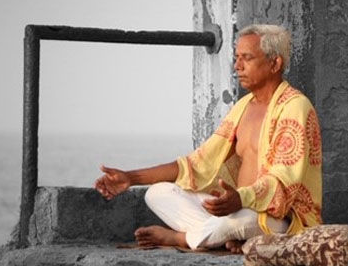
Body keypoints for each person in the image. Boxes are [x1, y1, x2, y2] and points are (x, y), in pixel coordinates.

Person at [94, 24, 322, 253]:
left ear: (275, 63)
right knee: (158, 193)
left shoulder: (295, 106)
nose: (237, 66)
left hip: (277, 219)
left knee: (241, 220)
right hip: (236, 208)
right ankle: (224, 239)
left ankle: (181, 239)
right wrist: (130, 178)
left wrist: (240, 199)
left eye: (247, 58)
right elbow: (195, 165)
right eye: (236, 58)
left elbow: (283, 182)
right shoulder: (243, 107)